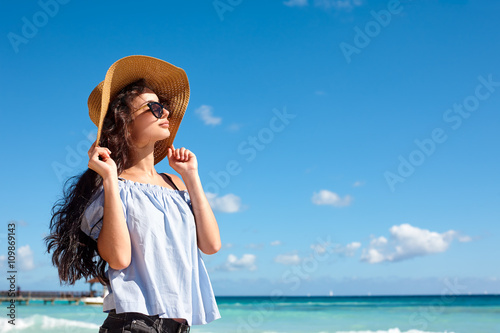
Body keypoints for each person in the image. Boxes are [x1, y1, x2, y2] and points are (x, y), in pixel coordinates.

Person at [45, 55, 221, 332]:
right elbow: (119, 258)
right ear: (125, 121)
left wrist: (192, 176)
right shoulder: (110, 185)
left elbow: (211, 245)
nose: (165, 113)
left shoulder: (176, 183)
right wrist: (111, 180)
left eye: (163, 107)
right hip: (133, 324)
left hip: (178, 327)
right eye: (153, 107)